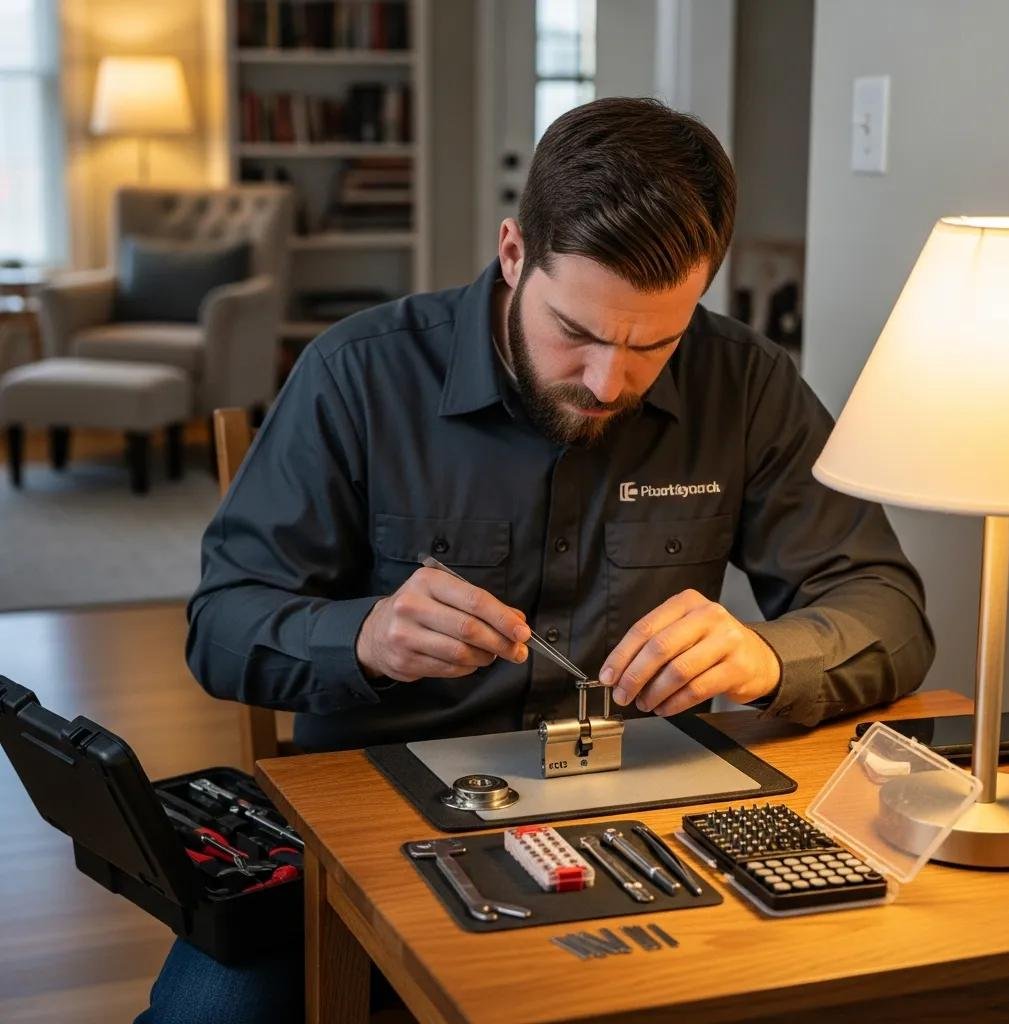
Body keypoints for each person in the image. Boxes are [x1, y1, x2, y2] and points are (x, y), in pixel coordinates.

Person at [135, 97, 934, 1024]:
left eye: (654, 345)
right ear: (514, 255)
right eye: (580, 334)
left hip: (650, 822)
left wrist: (769, 659)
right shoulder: (357, 375)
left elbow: (887, 607)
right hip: (376, 826)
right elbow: (221, 625)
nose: (609, 382)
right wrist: (365, 638)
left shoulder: (745, 385)